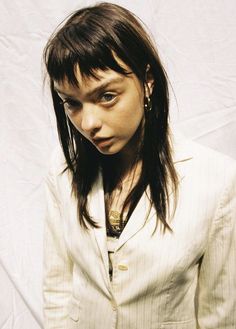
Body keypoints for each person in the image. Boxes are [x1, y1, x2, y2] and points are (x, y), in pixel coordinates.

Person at [42, 2, 236, 329]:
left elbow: (220, 314)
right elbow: (58, 288)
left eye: (107, 96)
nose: (88, 123)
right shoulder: (63, 171)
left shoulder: (216, 180)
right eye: (72, 103)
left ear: (147, 81)